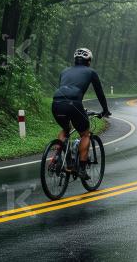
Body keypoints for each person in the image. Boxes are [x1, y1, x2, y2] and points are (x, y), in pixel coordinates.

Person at [51, 47, 110, 180]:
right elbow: (99, 93)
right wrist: (105, 110)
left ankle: (59, 157)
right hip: (74, 104)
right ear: (88, 61)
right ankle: (82, 169)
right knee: (85, 134)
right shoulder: (91, 72)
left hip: (56, 103)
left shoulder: (64, 71)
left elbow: (64, 88)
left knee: (65, 129)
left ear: (75, 60)